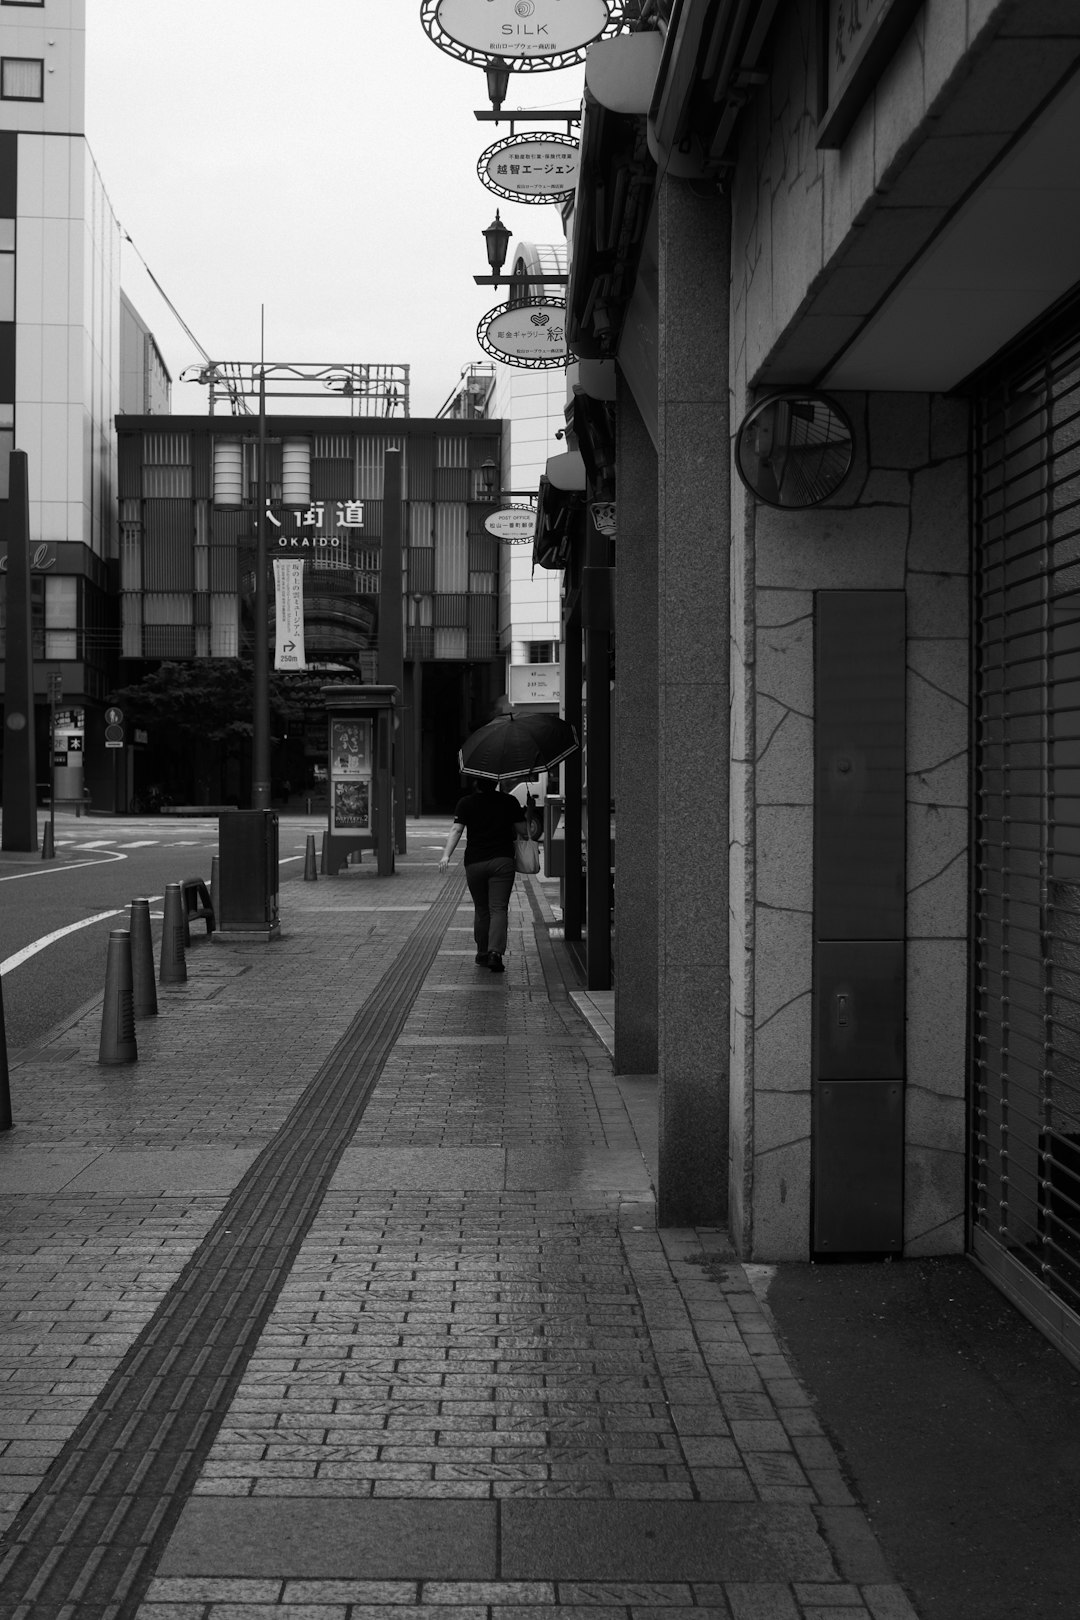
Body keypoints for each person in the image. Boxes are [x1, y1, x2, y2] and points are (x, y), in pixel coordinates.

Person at [438, 778, 526, 973]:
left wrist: (446, 855)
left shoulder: (466, 803)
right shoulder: (508, 801)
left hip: (475, 862)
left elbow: (457, 829)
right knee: (498, 908)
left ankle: (482, 952)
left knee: (481, 908)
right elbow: (524, 831)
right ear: (495, 783)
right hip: (502, 861)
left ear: (476, 783)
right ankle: (495, 953)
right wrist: (525, 813)